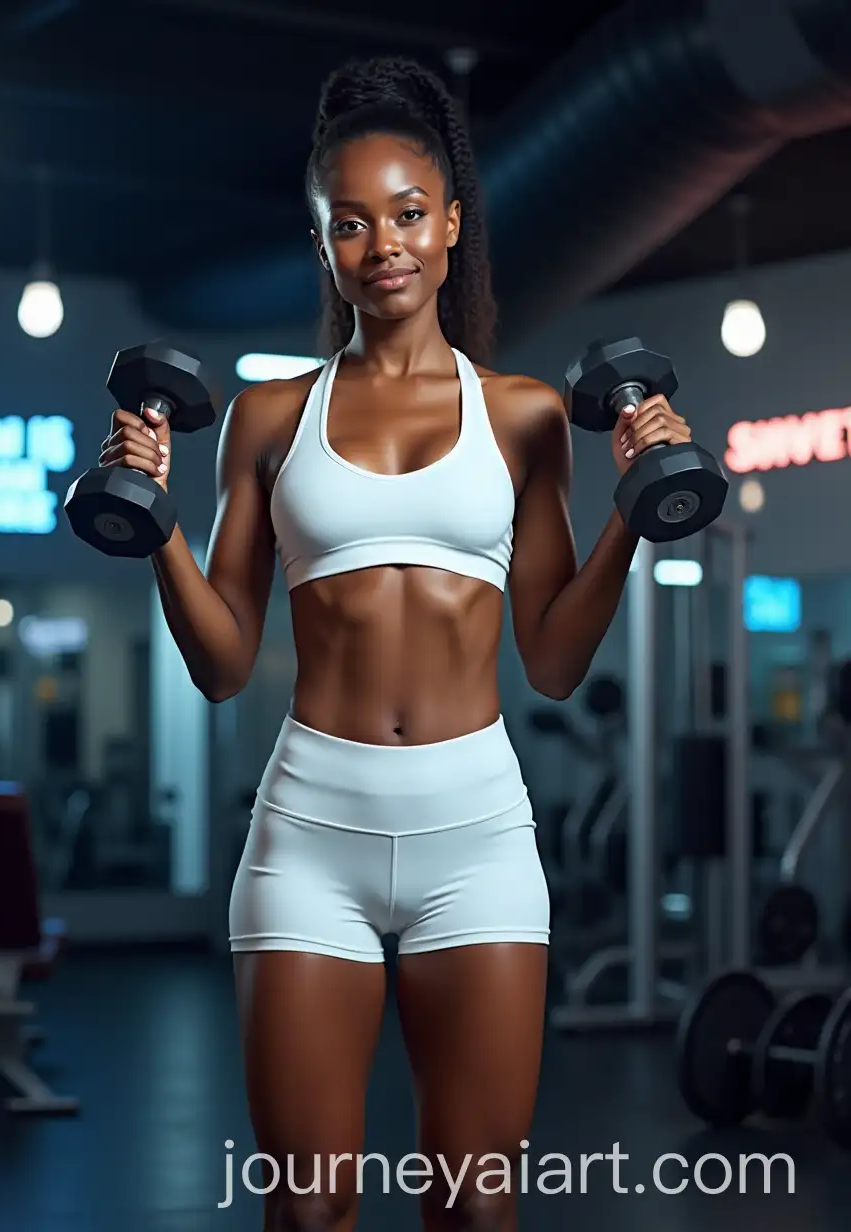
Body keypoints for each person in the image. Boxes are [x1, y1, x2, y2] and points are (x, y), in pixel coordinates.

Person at [99, 54, 694, 1232]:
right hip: (308, 827)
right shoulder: (271, 420)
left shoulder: (522, 416)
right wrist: (152, 520)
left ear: (453, 222)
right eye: (353, 222)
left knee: (476, 1204)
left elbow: (554, 660)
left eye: (410, 215)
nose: (386, 246)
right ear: (322, 242)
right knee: (309, 1209)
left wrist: (635, 509)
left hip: (473, 829)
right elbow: (222, 664)